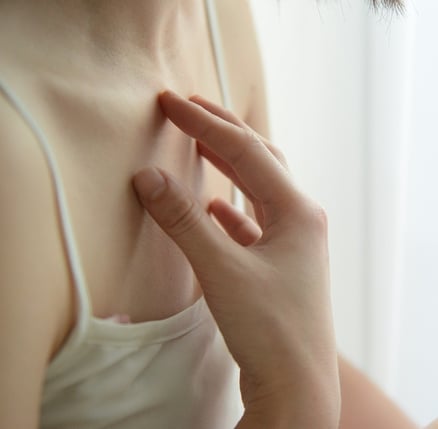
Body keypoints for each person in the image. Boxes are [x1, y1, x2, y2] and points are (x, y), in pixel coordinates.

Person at [0, 0, 427, 427]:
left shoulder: (217, 17)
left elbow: (288, 356)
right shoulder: (14, 163)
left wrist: (304, 382)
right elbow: (294, 389)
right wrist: (293, 408)